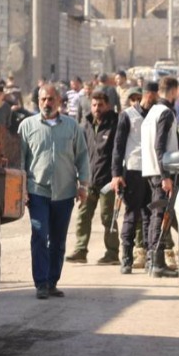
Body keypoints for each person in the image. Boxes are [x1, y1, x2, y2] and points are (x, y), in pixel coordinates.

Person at [18, 82, 90, 300]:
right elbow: (19, 160)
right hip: (37, 191)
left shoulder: (72, 127)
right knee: (40, 235)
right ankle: (40, 283)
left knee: (58, 240)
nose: (46, 103)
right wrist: (21, 189)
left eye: (51, 99)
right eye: (43, 99)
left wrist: (83, 185)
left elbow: (82, 157)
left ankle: (51, 281)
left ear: (59, 101)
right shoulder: (27, 126)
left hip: (65, 192)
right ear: (38, 101)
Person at [66, 89, 119, 265]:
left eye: (100, 105)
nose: (97, 108)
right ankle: (81, 250)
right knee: (83, 215)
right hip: (89, 180)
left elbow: (118, 153)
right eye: (94, 105)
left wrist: (116, 176)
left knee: (107, 217)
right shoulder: (86, 125)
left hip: (107, 181)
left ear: (108, 106)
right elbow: (81, 152)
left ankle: (112, 253)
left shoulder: (115, 124)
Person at [111, 82, 158, 274]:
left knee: (149, 215)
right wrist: (116, 175)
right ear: (144, 96)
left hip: (152, 171)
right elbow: (118, 147)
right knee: (131, 214)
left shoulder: (157, 115)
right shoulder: (127, 115)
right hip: (133, 171)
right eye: (151, 96)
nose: (153, 100)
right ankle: (127, 259)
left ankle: (149, 258)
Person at [141, 75, 179, 278]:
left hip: (151, 170)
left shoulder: (151, 112)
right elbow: (160, 145)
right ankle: (156, 262)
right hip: (160, 172)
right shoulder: (165, 113)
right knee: (159, 215)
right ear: (173, 91)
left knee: (156, 215)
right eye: (178, 92)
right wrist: (166, 175)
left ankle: (152, 260)